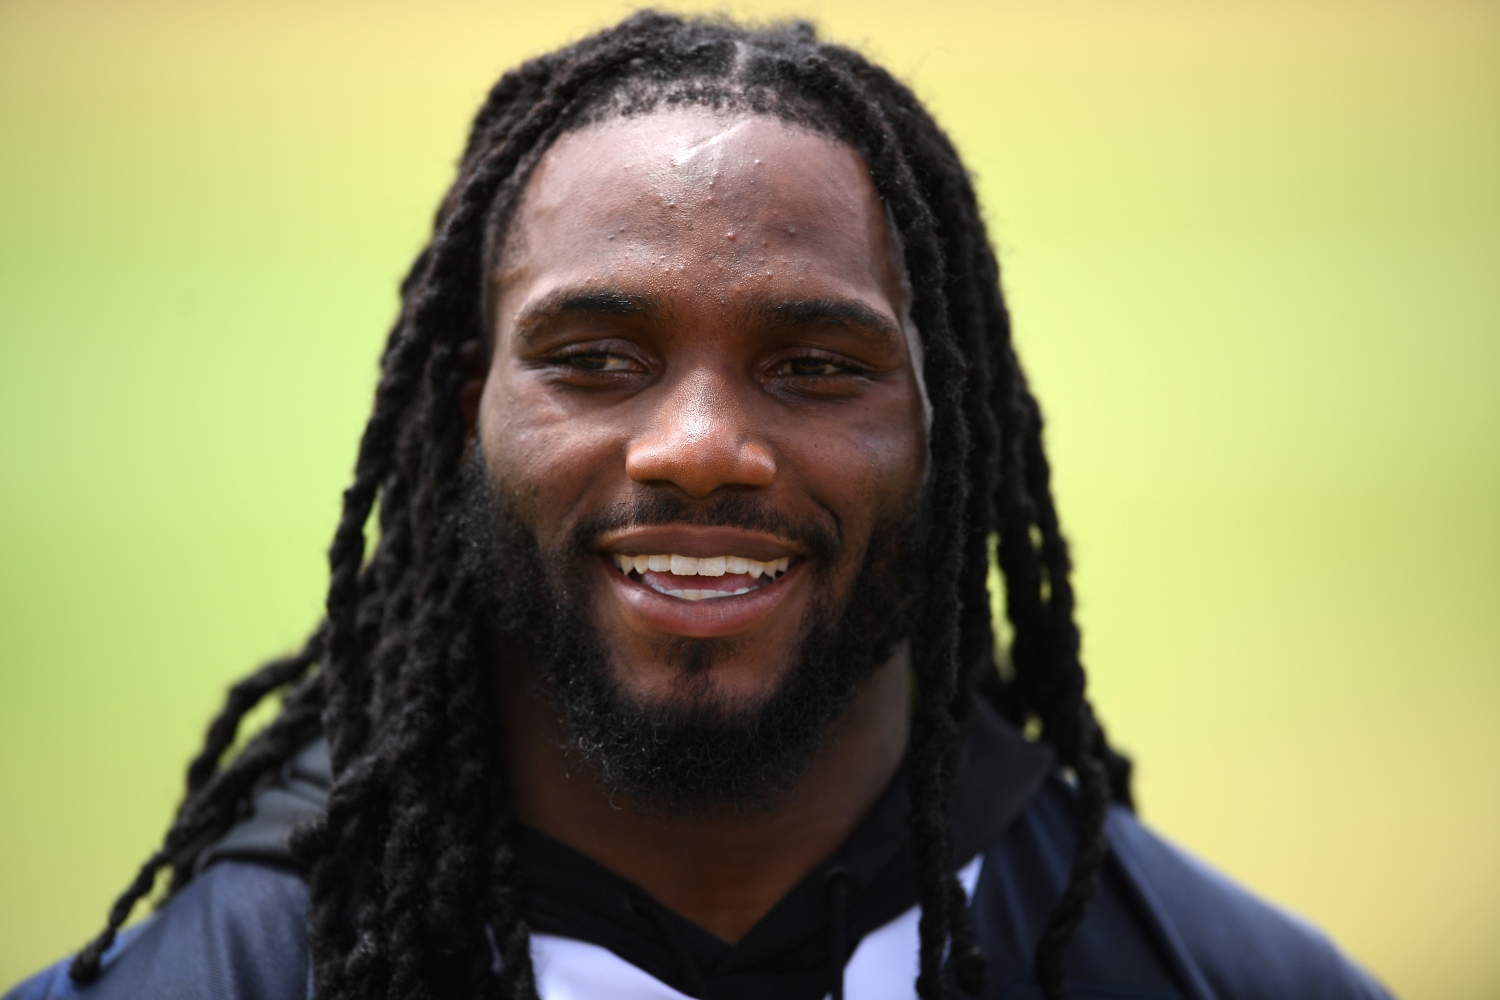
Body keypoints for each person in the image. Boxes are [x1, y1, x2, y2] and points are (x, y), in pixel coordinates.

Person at [6, 12, 1393, 1000]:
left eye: (815, 364)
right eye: (595, 358)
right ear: (458, 420)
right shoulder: (224, 979)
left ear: (945, 432)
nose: (702, 445)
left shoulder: (1219, 975)